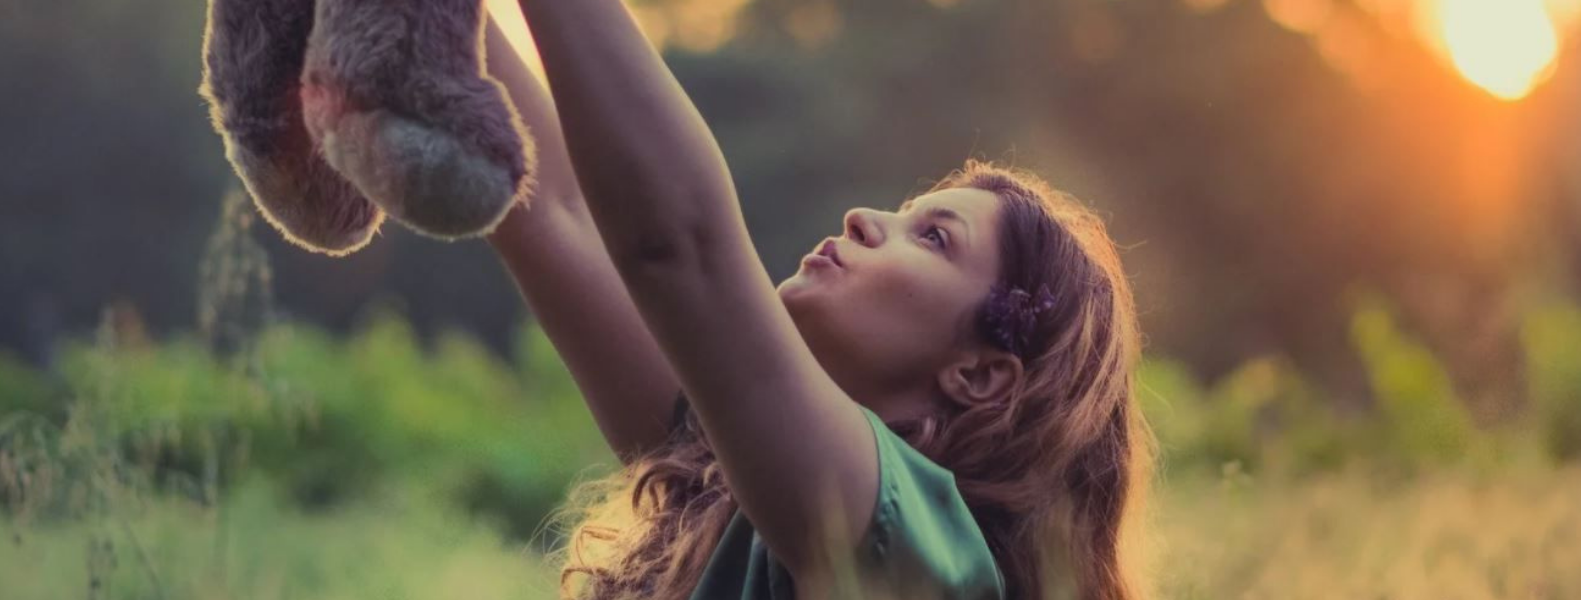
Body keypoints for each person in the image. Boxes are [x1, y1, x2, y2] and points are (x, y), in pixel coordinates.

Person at [481, 3, 1152, 598]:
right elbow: (550, 203)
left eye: (932, 238)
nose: (863, 218)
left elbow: (678, 249)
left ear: (979, 375)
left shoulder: (924, 563)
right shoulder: (717, 474)